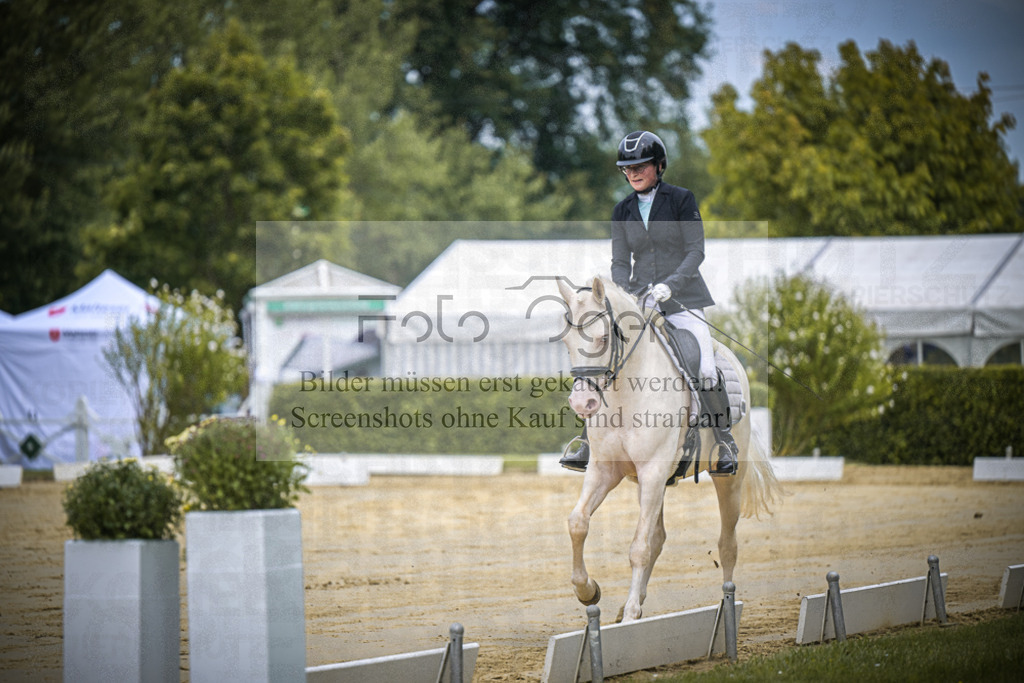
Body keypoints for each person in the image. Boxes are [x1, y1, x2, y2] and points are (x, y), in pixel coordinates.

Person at [560, 130, 738, 477]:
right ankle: (587, 440)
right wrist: (624, 296)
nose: (633, 173)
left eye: (640, 166)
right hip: (638, 302)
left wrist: (670, 286)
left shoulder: (681, 200)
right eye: (627, 168)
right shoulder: (622, 210)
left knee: (703, 364)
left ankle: (724, 441)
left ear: (659, 166)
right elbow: (619, 263)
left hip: (683, 299)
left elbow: (695, 251)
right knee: (607, 358)